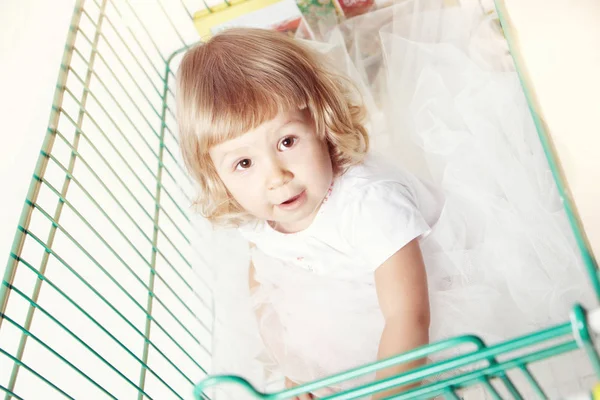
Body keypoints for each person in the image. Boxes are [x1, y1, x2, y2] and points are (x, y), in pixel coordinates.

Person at [177, 2, 593, 398]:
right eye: (244, 163)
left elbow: (408, 316)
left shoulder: (369, 202)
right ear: (216, 174)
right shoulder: (263, 211)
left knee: (433, 372)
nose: (275, 176)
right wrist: (294, 372)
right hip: (354, 285)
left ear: (320, 122)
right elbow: (264, 273)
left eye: (287, 141)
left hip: (432, 287)